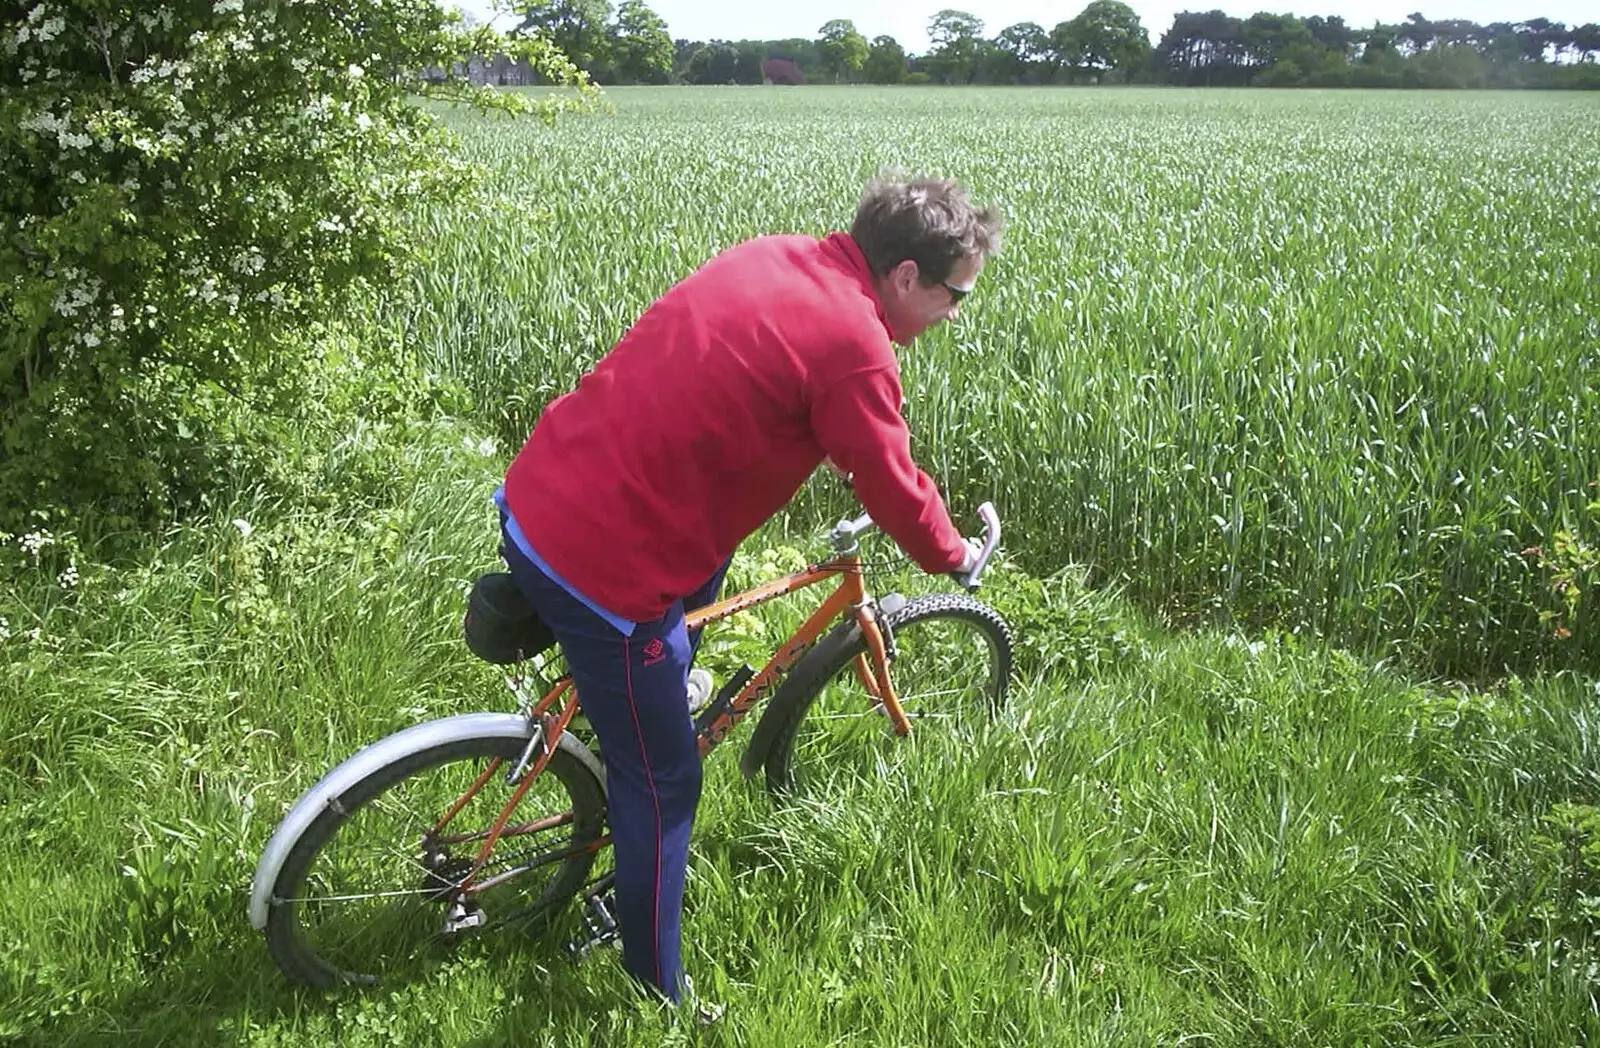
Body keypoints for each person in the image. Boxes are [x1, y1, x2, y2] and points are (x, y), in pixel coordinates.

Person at [493, 176, 1003, 1007]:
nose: (955, 313)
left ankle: (644, 694)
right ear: (906, 276)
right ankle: (657, 987)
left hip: (544, 487)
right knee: (662, 784)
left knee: (702, 579)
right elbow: (894, 483)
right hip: (602, 571)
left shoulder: (776, 256)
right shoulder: (857, 345)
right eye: (956, 295)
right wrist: (951, 555)